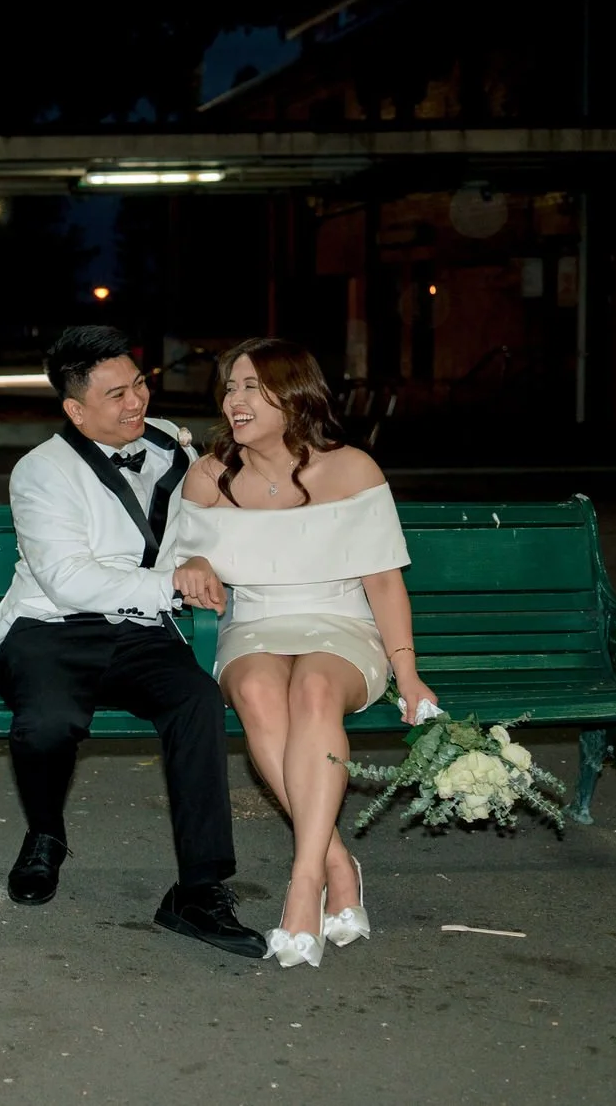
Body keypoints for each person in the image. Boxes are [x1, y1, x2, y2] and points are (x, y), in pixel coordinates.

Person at [0, 326, 266, 958]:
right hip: (50, 628)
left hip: (137, 630)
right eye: (116, 395)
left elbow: (208, 522)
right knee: (48, 723)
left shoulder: (169, 446)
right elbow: (69, 580)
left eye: (138, 384)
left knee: (196, 701)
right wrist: (172, 586)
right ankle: (45, 835)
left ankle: (199, 888)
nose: (136, 401)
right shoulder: (41, 472)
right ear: (76, 411)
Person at [174, 337, 438, 969]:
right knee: (262, 691)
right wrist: (197, 562)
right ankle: (335, 861)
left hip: (341, 627)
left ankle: (304, 882)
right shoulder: (210, 475)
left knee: (313, 690)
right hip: (257, 626)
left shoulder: (350, 470)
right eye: (230, 387)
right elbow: (180, 560)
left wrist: (408, 674)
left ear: (292, 396)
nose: (235, 400)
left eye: (251, 387)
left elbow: (382, 580)